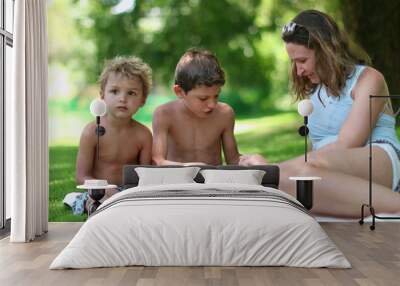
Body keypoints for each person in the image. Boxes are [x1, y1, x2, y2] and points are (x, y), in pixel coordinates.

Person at [272, 10, 400, 218]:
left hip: (376, 158)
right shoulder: (314, 91)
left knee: (295, 175)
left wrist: (272, 169)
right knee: (287, 183)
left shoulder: (368, 79)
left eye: (302, 60)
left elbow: (345, 145)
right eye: (294, 62)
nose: (298, 71)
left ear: (325, 50)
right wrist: (279, 172)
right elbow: (316, 152)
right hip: (325, 168)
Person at [152, 48, 262, 166]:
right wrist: (188, 168)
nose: (212, 104)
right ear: (179, 92)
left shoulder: (225, 114)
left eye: (216, 96)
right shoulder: (164, 114)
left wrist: (250, 161)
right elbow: (157, 161)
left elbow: (233, 160)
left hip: (213, 181)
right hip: (177, 180)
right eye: (203, 99)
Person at [73, 56, 153, 214]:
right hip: (98, 190)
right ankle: (96, 210)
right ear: (102, 95)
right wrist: (107, 190)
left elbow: (145, 176)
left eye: (131, 93)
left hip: (129, 191)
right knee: (96, 202)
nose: (122, 99)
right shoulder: (91, 132)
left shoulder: (143, 135)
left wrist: (130, 194)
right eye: (115, 91)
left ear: (143, 100)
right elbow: (82, 175)